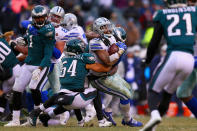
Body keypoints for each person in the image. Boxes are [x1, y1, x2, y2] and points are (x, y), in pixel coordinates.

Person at [28, 39, 112, 127]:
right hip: (75, 99)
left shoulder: (64, 59)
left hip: (64, 97)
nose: (83, 48)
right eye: (82, 46)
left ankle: (46, 116)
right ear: (78, 48)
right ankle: (101, 122)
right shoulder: (83, 58)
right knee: (95, 91)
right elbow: (102, 69)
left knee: (71, 96)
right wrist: (112, 62)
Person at [140, 0, 197, 131]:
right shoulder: (194, 12)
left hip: (174, 55)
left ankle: (154, 114)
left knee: (154, 90)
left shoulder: (162, 13)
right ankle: (153, 127)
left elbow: (154, 41)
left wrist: (147, 60)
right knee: (169, 93)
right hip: (189, 59)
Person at [5, 5, 55, 126]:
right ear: (33, 18)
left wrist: (40, 68)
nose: (39, 20)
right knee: (17, 89)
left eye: (41, 17)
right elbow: (29, 37)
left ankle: (36, 116)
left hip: (42, 64)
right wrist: (23, 39)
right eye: (37, 18)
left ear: (46, 17)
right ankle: (15, 120)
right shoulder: (31, 27)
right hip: (28, 63)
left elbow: (48, 54)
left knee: (34, 87)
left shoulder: (49, 28)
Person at [88, 17, 142, 127]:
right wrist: (120, 52)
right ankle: (127, 119)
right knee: (125, 94)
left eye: (108, 26)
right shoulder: (95, 42)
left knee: (129, 90)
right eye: (104, 27)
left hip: (107, 74)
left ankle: (107, 111)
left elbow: (113, 63)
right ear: (98, 30)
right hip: (98, 77)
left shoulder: (111, 38)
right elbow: (107, 61)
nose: (107, 29)